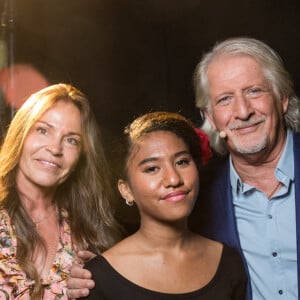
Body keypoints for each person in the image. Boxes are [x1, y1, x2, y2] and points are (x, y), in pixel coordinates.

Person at [80, 111, 247, 299]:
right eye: (152, 169)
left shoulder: (228, 263)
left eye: (182, 162)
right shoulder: (98, 278)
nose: (173, 179)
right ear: (126, 189)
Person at [190, 37, 300, 300]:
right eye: (225, 99)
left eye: (254, 91)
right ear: (210, 117)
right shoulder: (195, 194)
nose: (242, 111)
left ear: (282, 98)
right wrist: (94, 270)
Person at [0, 83, 122, 299]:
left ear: (81, 157)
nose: (55, 149)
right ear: (21, 133)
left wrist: (95, 288)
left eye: (71, 140)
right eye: (43, 130)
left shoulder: (88, 233)